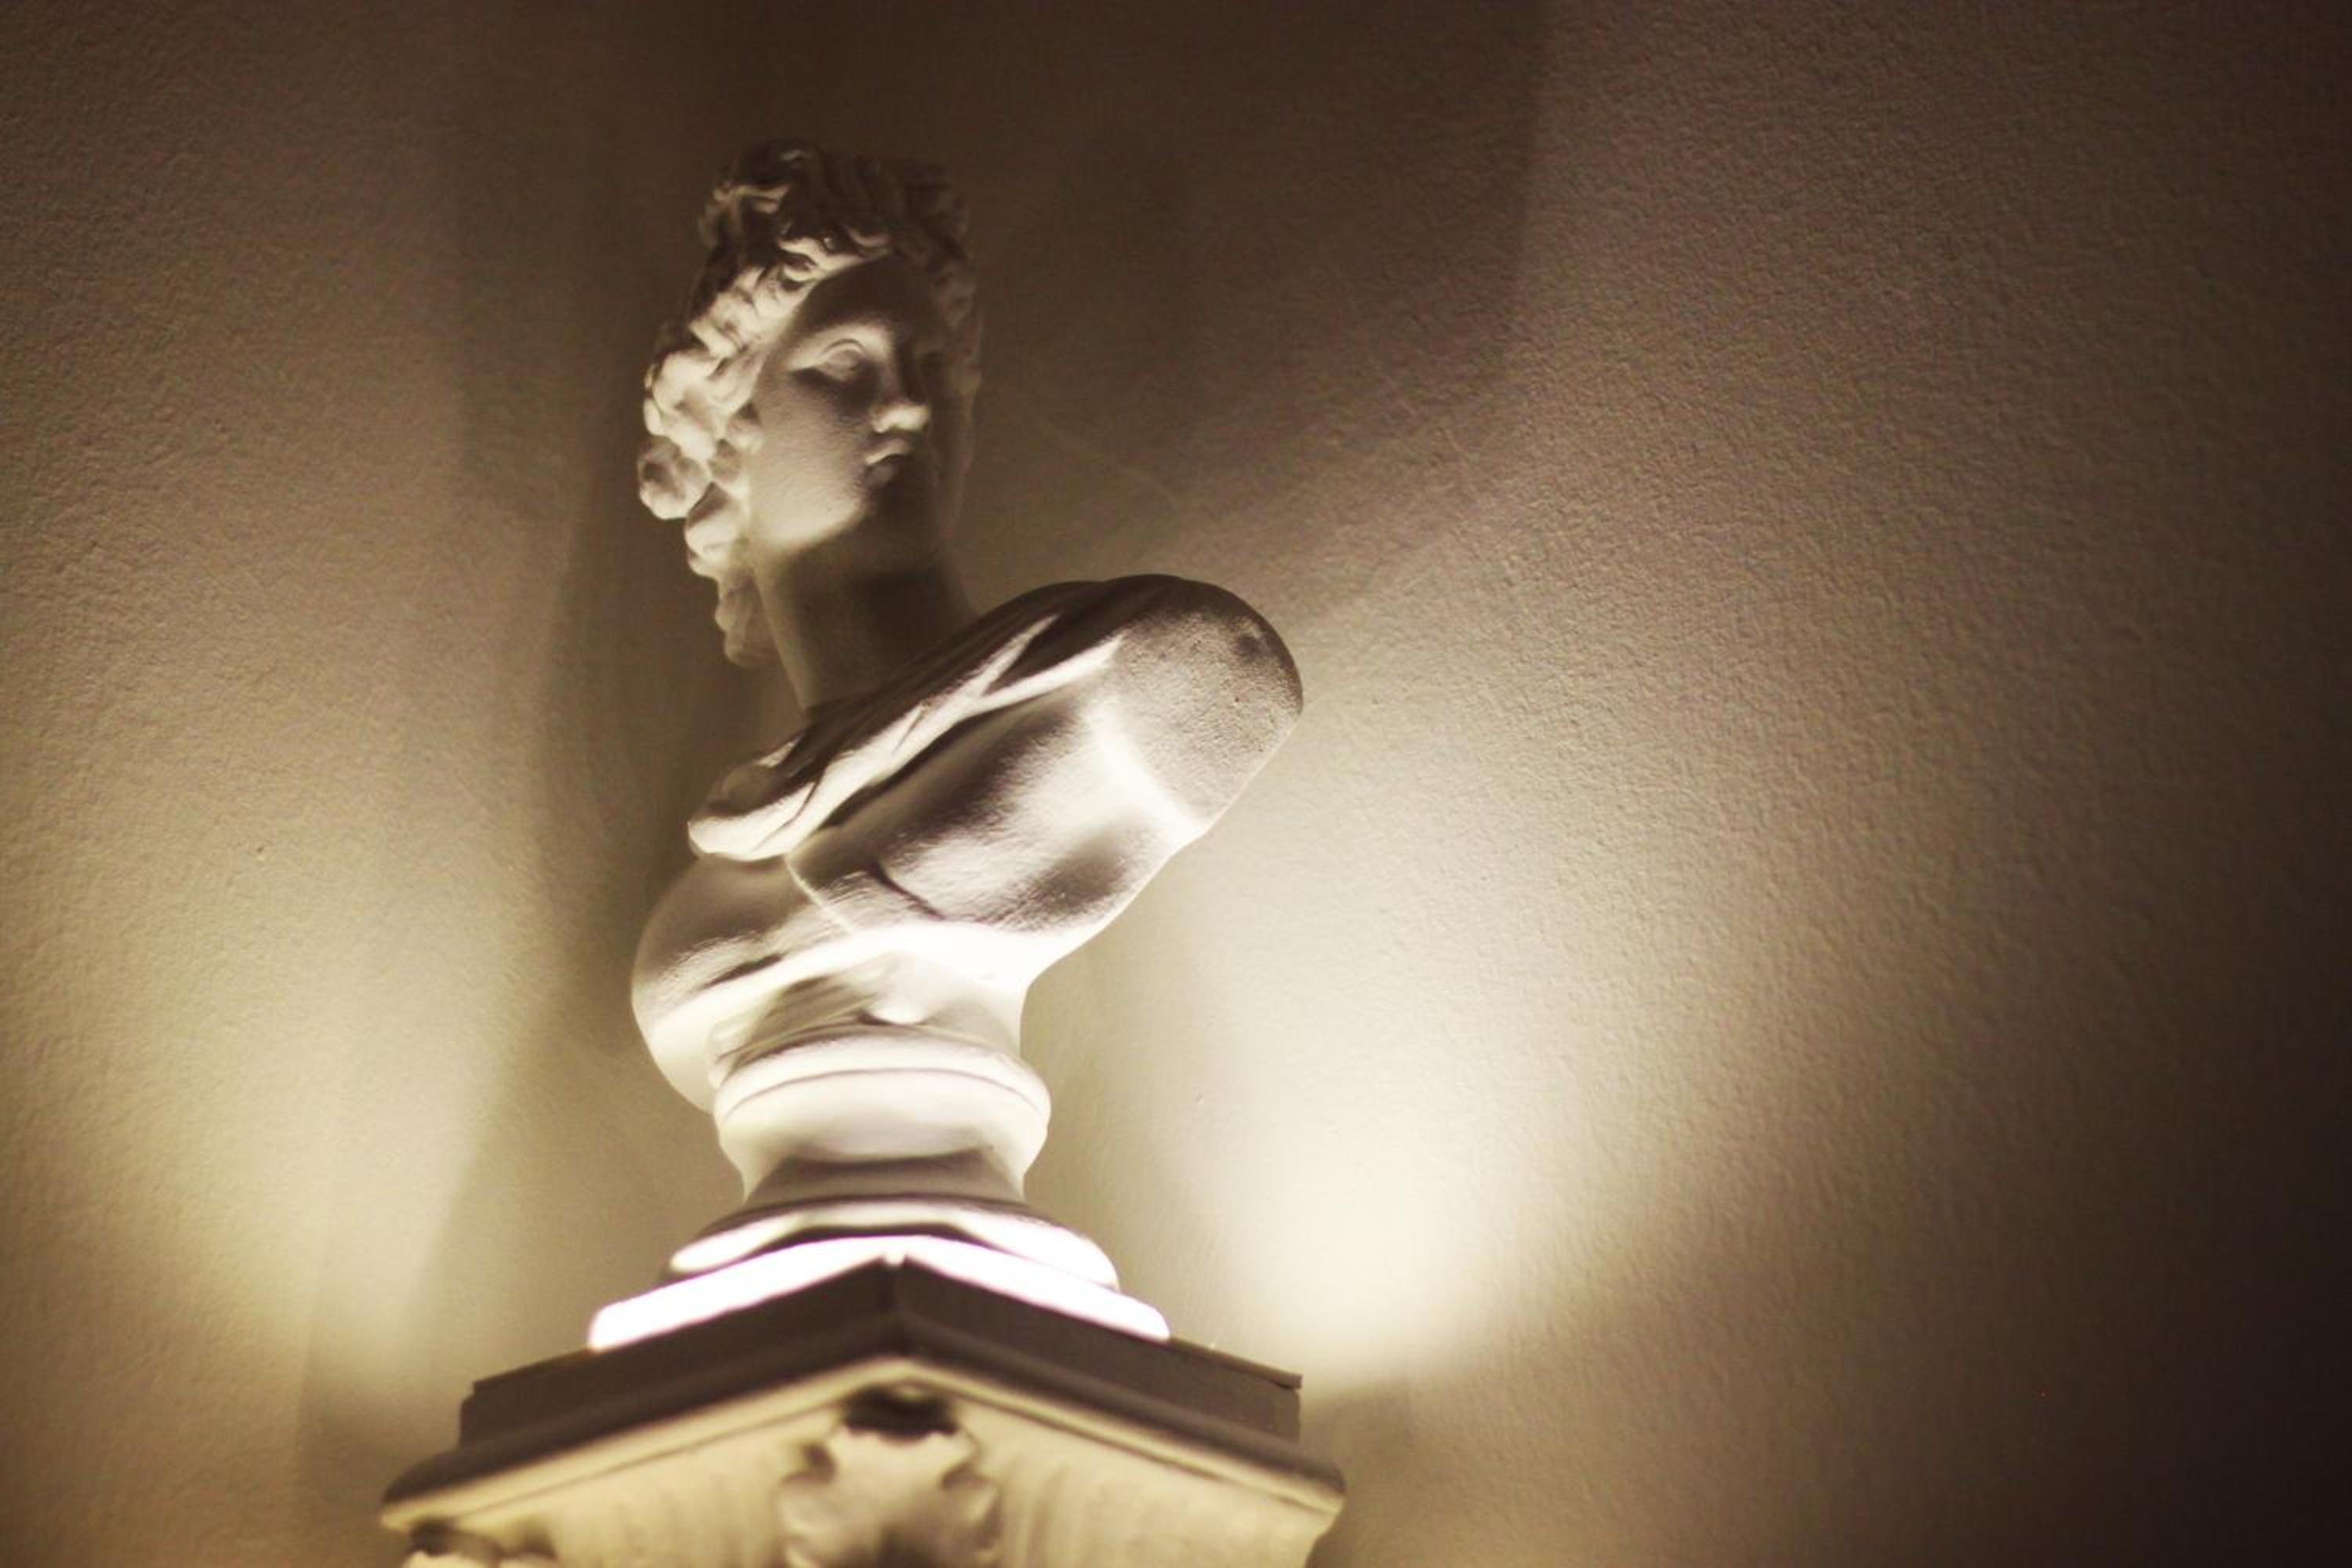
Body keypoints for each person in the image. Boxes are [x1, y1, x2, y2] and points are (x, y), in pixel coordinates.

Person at [627, 143, 1299, 1306]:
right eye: (846, 365)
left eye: (933, 369)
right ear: (731, 432)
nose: (907, 406)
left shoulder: (1133, 668)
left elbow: (1225, 680)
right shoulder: (729, 854)